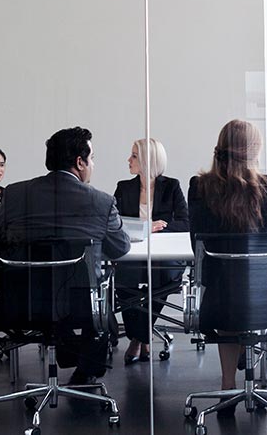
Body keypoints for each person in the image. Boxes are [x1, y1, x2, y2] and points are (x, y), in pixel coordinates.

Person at [0, 126, 131, 385]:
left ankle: (76, 364)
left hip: (21, 303)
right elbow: (120, 247)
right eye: (92, 158)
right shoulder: (101, 201)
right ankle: (84, 373)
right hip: (80, 307)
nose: (92, 164)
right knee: (96, 295)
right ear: (79, 162)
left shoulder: (16, 194)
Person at [186, 119, 267, 409]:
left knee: (229, 303)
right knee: (248, 296)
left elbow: (197, 243)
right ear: (254, 150)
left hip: (217, 298)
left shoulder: (199, 187)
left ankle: (228, 383)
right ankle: (249, 381)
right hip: (263, 299)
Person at [113, 138, 189, 364]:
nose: (129, 160)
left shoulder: (171, 186)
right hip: (132, 254)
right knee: (123, 280)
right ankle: (143, 338)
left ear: (148, 160)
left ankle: (137, 339)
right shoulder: (124, 187)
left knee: (161, 276)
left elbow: (186, 222)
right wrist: (145, 227)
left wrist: (159, 226)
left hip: (163, 255)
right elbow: (114, 223)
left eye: (134, 156)